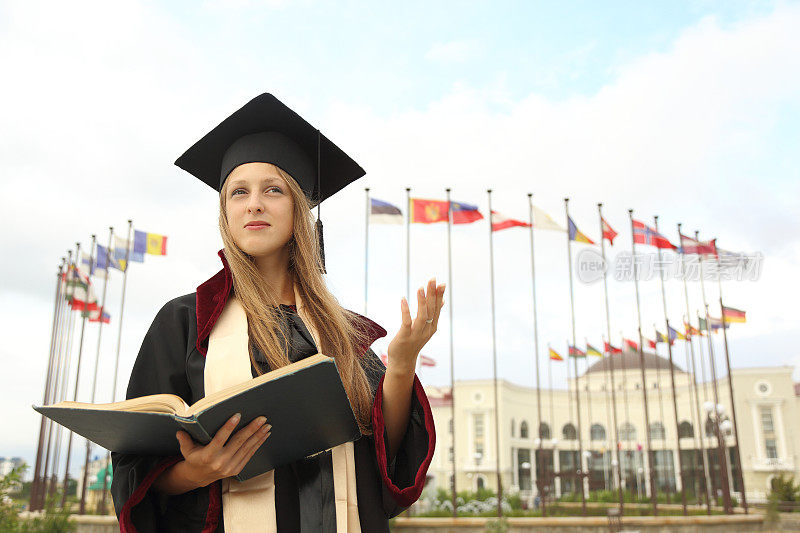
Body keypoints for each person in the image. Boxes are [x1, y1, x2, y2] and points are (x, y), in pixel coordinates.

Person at [111, 93, 442, 532]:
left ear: (300, 211)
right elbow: (137, 473)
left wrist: (400, 366)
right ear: (225, 211)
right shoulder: (186, 322)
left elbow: (386, 454)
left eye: (273, 190)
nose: (254, 204)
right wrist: (201, 470)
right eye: (238, 193)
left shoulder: (343, 332)